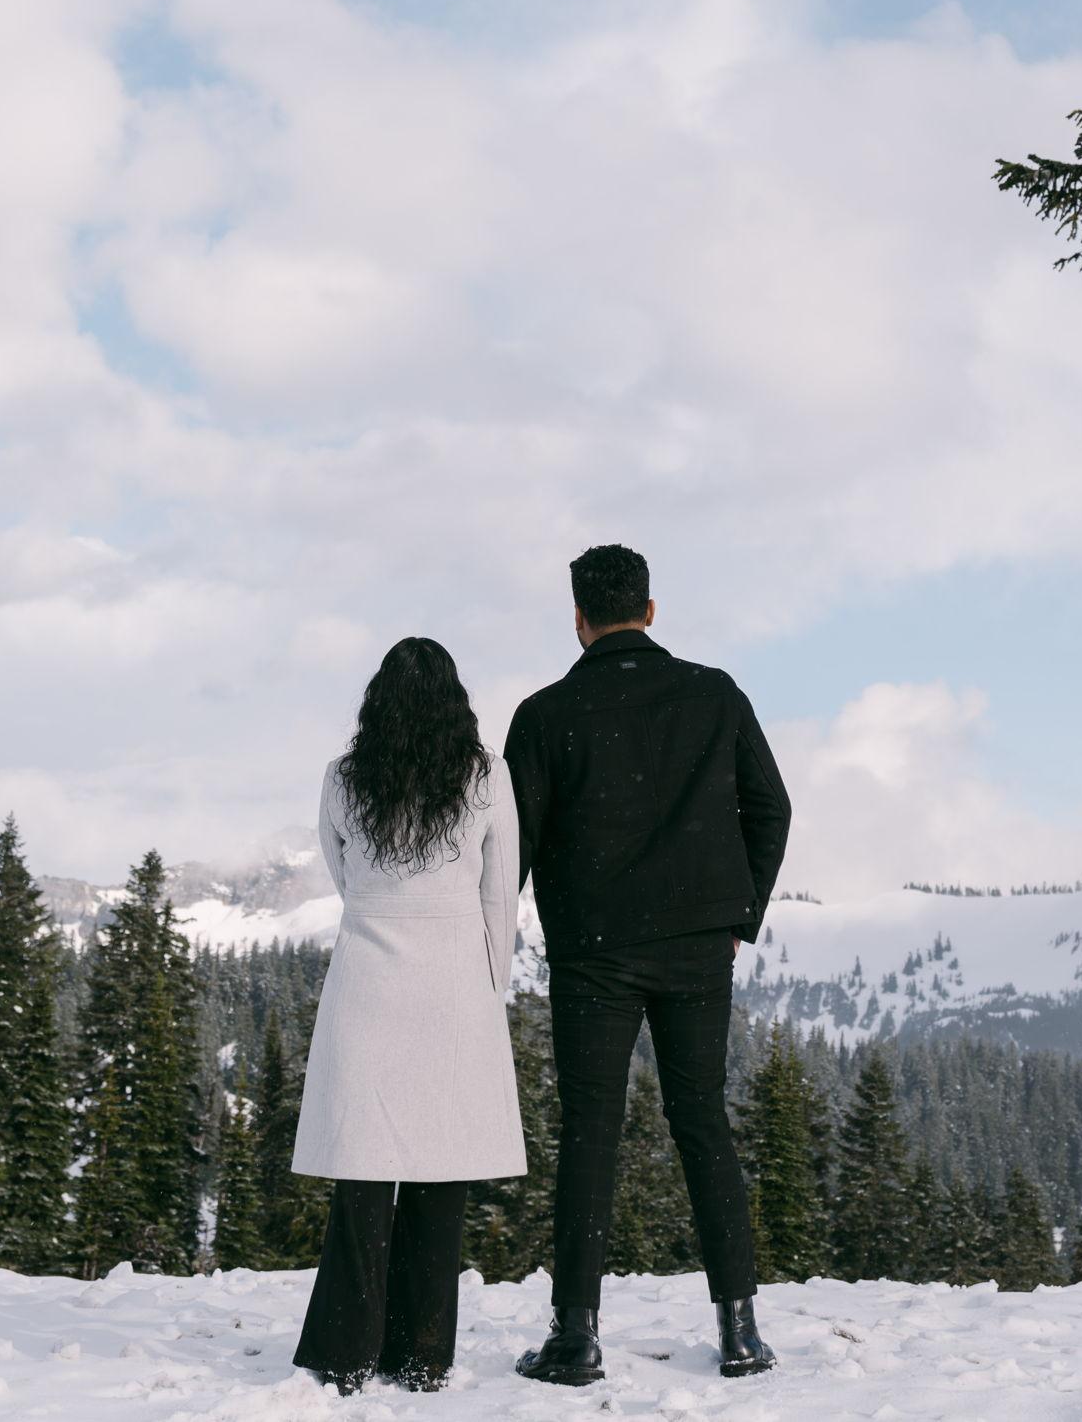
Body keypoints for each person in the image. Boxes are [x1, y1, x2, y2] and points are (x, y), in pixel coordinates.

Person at [505, 544, 792, 1385]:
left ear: (579, 619)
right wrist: (738, 917)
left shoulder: (545, 714)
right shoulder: (714, 694)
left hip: (592, 954)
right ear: (651, 610)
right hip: (698, 944)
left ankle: (575, 1337)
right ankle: (740, 1332)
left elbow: (511, 846)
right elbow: (771, 808)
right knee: (702, 1121)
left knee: (589, 1132)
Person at [290, 637, 526, 1394]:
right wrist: (490, 984)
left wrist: (382, 913)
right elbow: (501, 891)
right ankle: (421, 1356)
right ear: (455, 701)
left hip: (368, 979)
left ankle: (344, 1353)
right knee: (441, 1173)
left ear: (377, 701)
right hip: (454, 982)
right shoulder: (486, 776)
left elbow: (343, 873)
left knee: (362, 1179)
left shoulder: (343, 778)